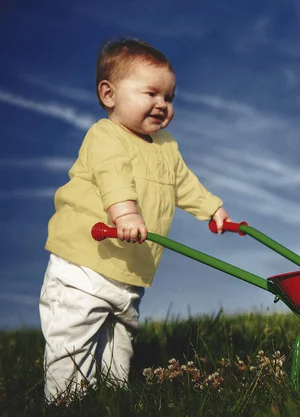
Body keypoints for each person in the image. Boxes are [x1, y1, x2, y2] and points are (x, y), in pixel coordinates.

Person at [40, 38, 231, 403]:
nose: (162, 104)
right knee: (73, 333)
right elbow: (113, 176)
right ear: (109, 94)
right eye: (151, 93)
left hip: (129, 272)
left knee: (119, 340)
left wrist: (212, 209)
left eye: (170, 98)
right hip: (85, 263)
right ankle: (65, 402)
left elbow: (184, 184)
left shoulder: (166, 147)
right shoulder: (105, 135)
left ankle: (113, 396)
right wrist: (124, 212)